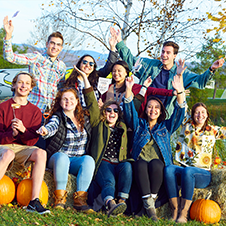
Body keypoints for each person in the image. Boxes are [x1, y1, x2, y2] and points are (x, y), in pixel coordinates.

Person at [110, 27, 225, 117]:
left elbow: (200, 82)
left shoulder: (181, 73)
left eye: (168, 53)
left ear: (175, 55)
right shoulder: (150, 65)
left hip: (164, 116)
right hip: (143, 112)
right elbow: (130, 60)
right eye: (163, 51)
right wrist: (119, 41)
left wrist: (212, 69)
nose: (164, 55)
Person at [123, 66, 186, 221]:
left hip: (158, 167)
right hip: (141, 165)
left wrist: (180, 92)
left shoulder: (165, 127)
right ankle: (150, 208)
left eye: (156, 107)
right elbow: (129, 109)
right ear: (146, 110)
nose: (153, 110)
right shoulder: (139, 124)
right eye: (150, 107)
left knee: (157, 164)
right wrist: (129, 89)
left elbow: (179, 113)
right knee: (140, 164)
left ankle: (147, 207)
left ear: (161, 110)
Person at [74, 65, 133, 217]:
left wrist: (133, 88)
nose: (112, 112)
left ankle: (121, 201)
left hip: (118, 163)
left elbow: (133, 106)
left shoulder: (123, 127)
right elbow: (92, 103)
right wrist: (86, 80)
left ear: (119, 114)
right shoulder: (98, 125)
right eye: (108, 110)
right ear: (104, 112)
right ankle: (110, 203)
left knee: (127, 166)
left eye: (115, 110)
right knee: (109, 182)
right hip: (103, 161)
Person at [164, 102, 226, 223]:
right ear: (192, 115)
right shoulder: (187, 124)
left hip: (203, 175)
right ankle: (175, 210)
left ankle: (184, 213)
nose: (200, 115)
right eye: (197, 112)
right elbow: (182, 104)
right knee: (169, 169)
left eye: (203, 112)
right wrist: (180, 90)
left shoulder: (213, 130)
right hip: (185, 170)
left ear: (207, 115)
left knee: (189, 171)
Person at [36, 87, 95, 213]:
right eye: (65, 99)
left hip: (76, 160)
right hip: (57, 159)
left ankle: (80, 200)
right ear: (60, 102)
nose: (68, 101)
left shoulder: (84, 118)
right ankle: (60, 200)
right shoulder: (58, 117)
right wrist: (46, 131)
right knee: (62, 157)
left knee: (89, 160)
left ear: (77, 101)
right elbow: (52, 126)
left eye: (71, 99)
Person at [0, 72, 50, 215]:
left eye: (27, 83)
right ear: (14, 85)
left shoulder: (35, 111)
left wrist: (23, 130)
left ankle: (34, 201)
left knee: (41, 153)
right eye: (20, 82)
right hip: (4, 146)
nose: (23, 86)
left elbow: (32, 141)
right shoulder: (3, 107)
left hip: (23, 148)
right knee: (8, 153)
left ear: (30, 88)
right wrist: (12, 134)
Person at [3, 16, 66, 113]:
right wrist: (8, 35)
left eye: (58, 44)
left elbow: (61, 88)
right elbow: (10, 57)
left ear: (61, 48)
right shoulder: (36, 58)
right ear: (47, 44)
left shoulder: (62, 66)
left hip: (51, 112)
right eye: (52, 43)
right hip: (33, 109)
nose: (55, 47)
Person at [103, 60, 177, 114]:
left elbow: (154, 91)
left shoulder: (134, 87)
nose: (116, 73)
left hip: (126, 126)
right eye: (114, 71)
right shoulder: (108, 87)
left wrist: (173, 92)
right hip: (109, 122)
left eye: (119, 71)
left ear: (126, 73)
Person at [64, 36, 118, 108]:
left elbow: (109, 65)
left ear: (93, 67)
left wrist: (112, 48)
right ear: (79, 64)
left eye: (91, 64)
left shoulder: (96, 78)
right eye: (85, 62)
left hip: (94, 114)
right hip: (78, 115)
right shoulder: (71, 82)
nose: (87, 65)